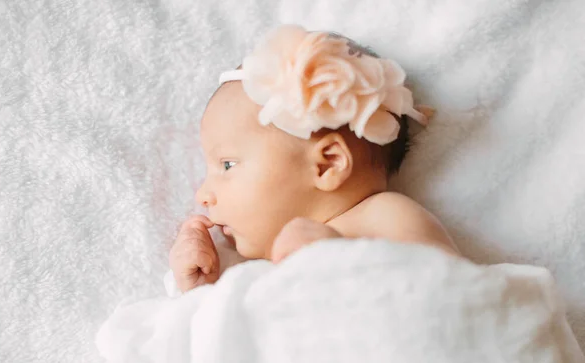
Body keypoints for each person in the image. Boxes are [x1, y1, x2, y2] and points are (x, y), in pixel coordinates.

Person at [169, 25, 460, 292]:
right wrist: (200, 289)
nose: (203, 194)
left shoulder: (385, 217)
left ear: (328, 164)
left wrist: (331, 260)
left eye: (227, 164)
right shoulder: (254, 268)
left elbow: (447, 292)